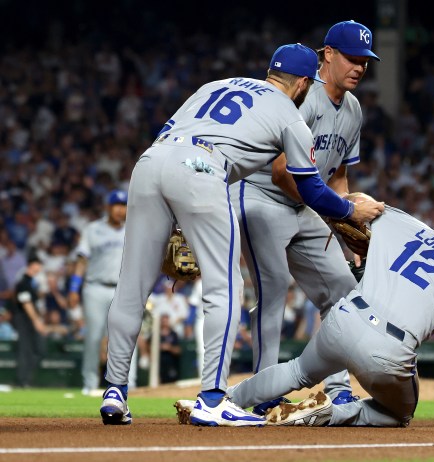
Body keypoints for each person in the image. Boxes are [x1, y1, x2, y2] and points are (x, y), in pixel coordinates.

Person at [99, 43, 384, 427]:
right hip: (203, 170)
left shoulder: (217, 84)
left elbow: (174, 137)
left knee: (131, 285)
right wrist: (351, 210)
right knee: (225, 286)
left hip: (151, 163)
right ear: (303, 82)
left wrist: (179, 212)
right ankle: (213, 399)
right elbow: (313, 189)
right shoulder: (290, 113)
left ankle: (115, 391)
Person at [226, 205, 434, 430]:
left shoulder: (426, 231)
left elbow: (362, 205)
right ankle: (328, 414)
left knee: (296, 371)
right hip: (386, 349)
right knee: (399, 414)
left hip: (345, 316)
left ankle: (224, 401)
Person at [229, 20, 380, 408]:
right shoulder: (304, 95)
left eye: (365, 61)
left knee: (343, 290)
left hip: (306, 204)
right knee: (274, 288)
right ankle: (265, 394)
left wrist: (346, 226)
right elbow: (281, 173)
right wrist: (336, 212)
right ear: (327, 55)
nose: (359, 67)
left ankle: (338, 385)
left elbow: (339, 172)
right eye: (352, 58)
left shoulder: (353, 108)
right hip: (262, 195)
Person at [68, 190, 138, 396]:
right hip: (95, 288)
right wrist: (73, 288)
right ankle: (90, 383)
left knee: (126, 335)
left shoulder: (134, 229)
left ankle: (129, 383)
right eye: (117, 205)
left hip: (123, 289)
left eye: (124, 205)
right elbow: (82, 260)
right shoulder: (93, 229)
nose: (120, 209)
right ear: (108, 207)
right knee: (94, 336)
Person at [11, 255, 47, 388]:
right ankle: (22, 381)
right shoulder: (23, 283)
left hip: (30, 318)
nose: (39, 269)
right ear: (32, 266)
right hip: (24, 319)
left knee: (37, 349)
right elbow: (26, 303)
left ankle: (25, 379)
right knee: (25, 350)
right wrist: (36, 321)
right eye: (37, 266)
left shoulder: (32, 282)